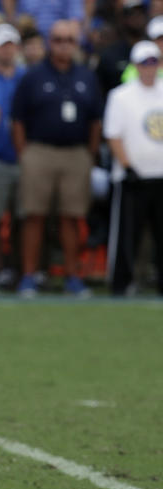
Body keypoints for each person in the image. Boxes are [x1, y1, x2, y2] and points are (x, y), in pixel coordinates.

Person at [10, 20, 102, 297]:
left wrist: (89, 153)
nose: (64, 45)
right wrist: (24, 154)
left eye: (69, 40)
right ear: (51, 42)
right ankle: (29, 276)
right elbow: (17, 120)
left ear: (76, 44)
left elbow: (96, 121)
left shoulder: (87, 77)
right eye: (59, 39)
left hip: (76, 152)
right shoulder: (33, 76)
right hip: (39, 151)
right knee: (33, 216)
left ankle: (73, 276)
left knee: (71, 217)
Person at [103, 41, 163, 297]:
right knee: (127, 235)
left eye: (153, 62)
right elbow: (113, 134)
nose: (149, 68)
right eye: (144, 63)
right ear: (135, 65)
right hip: (133, 177)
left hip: (161, 176)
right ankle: (121, 284)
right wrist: (127, 166)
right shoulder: (121, 95)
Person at [0, 23, 25, 289]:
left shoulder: (26, 75)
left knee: (24, 216)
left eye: (11, 44)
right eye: (2, 44)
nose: (7, 49)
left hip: (23, 154)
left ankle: (19, 271)